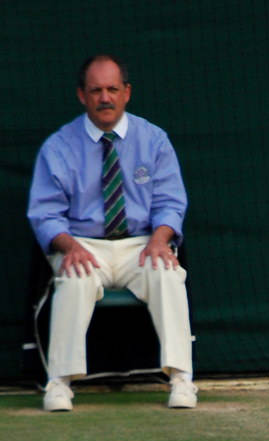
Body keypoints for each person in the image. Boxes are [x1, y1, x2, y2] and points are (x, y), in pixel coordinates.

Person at [27, 55, 197, 411]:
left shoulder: (154, 140)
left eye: (112, 90)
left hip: (141, 243)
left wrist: (160, 239)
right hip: (83, 243)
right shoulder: (58, 146)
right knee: (74, 276)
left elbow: (171, 203)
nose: (105, 98)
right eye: (96, 91)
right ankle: (59, 384)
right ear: (82, 96)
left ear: (127, 93)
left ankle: (182, 379)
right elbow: (44, 213)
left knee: (168, 273)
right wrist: (69, 246)